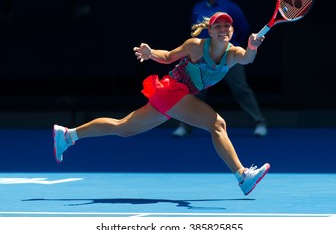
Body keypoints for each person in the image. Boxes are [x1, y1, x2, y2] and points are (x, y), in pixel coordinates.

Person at [53, 12, 270, 196]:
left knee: (123, 128)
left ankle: (68, 135)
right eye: (218, 26)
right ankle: (242, 176)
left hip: (172, 97)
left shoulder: (232, 54)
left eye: (227, 26)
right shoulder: (195, 46)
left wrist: (252, 46)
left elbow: (247, 58)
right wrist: (150, 53)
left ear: (232, 31)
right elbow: (168, 56)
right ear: (210, 32)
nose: (223, 29)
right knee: (217, 124)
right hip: (171, 90)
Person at [172, 0, 267, 138]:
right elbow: (194, 31)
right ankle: (185, 126)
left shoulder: (231, 7)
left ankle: (258, 122)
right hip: (202, 57)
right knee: (194, 92)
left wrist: (230, 47)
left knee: (241, 89)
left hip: (228, 56)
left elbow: (242, 28)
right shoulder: (198, 7)